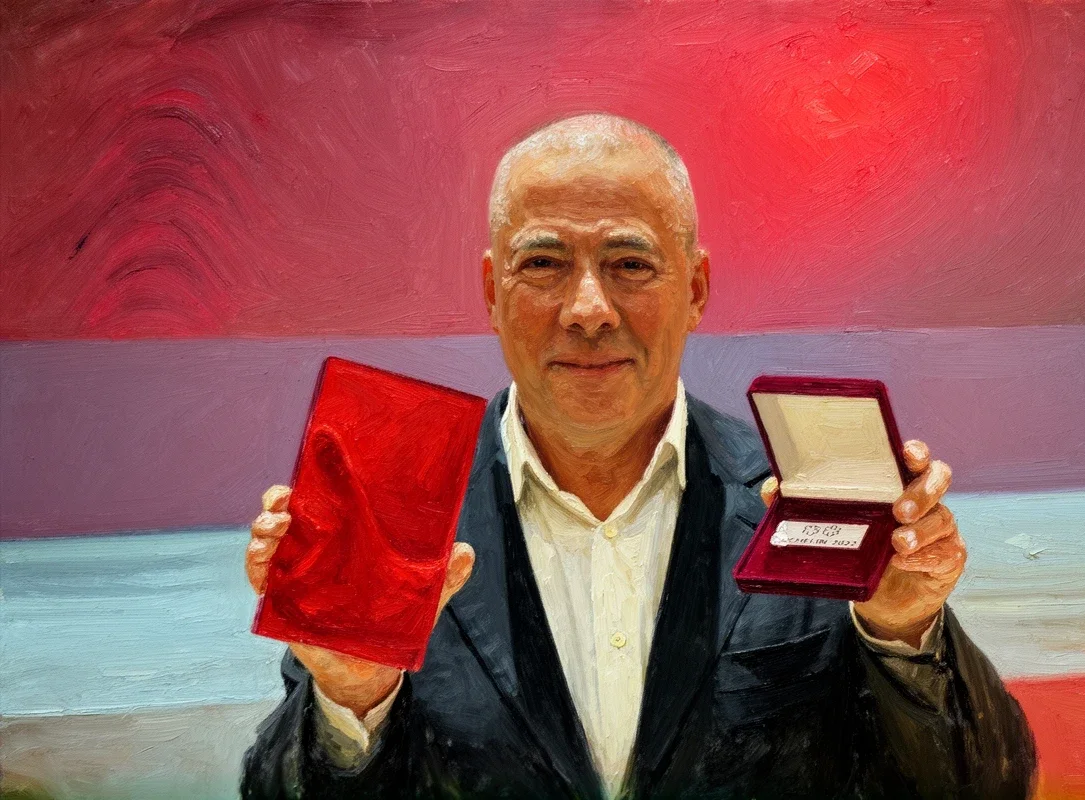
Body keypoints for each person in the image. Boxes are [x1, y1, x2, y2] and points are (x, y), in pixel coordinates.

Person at [241, 114, 1035, 799]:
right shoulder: (390, 521)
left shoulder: (808, 502)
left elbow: (989, 784)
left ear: (696, 288)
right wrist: (350, 702)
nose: (588, 310)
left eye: (629, 264)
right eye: (544, 264)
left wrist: (903, 632)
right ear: (491, 291)